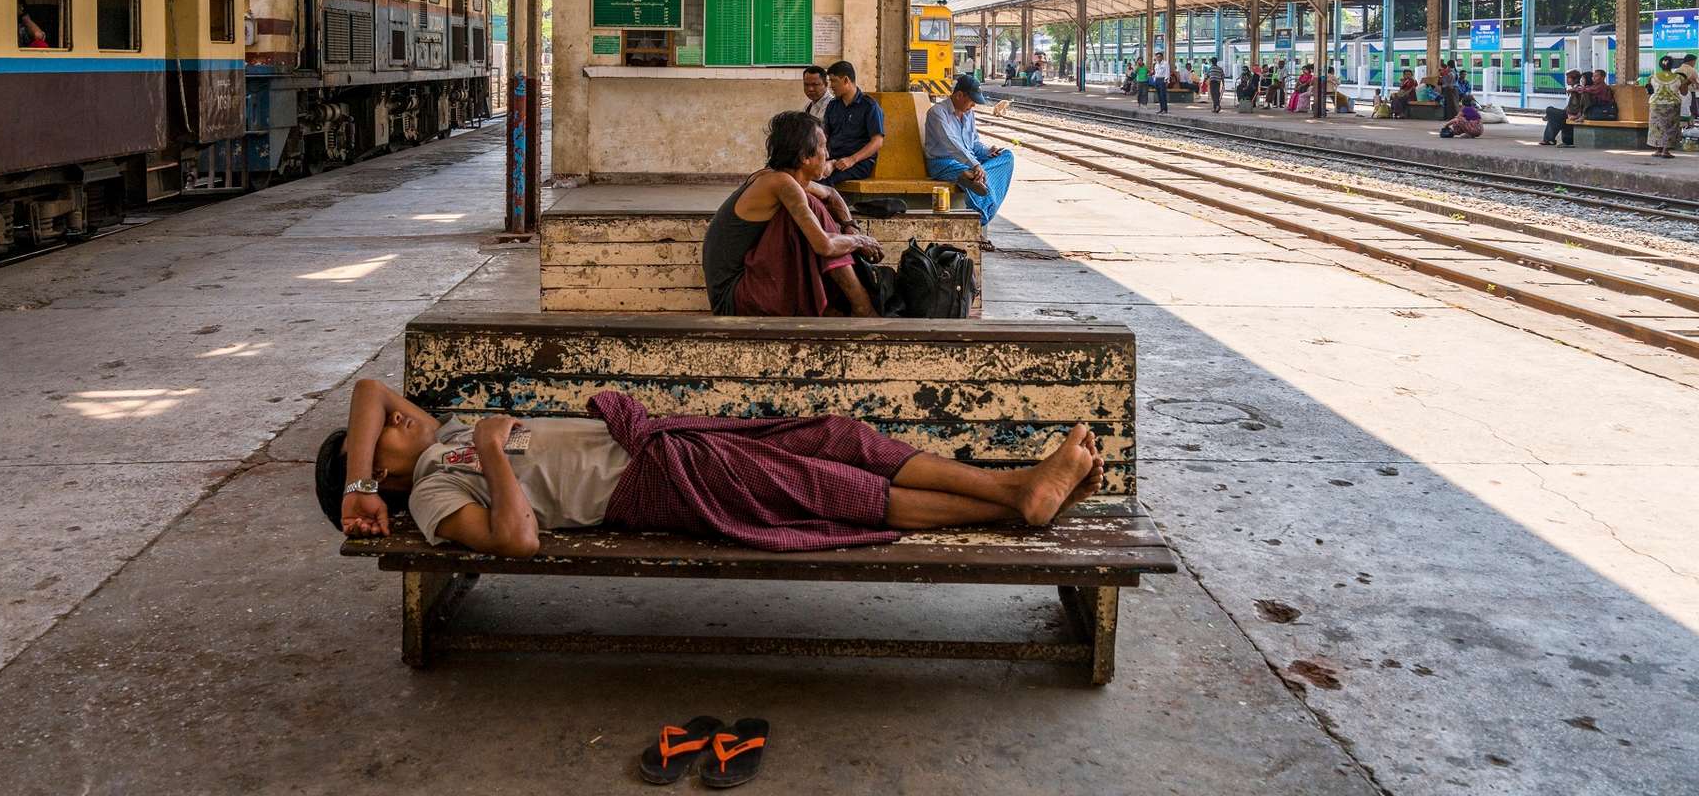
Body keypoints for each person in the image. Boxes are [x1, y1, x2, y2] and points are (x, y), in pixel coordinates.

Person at [320, 379, 1108, 558]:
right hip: (654, 483)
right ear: (396, 480)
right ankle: (1016, 501)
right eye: (388, 437)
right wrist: (490, 454)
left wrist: (361, 480)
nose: (394, 416)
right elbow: (519, 542)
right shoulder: (432, 489)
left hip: (661, 437)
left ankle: (1017, 491)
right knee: (825, 494)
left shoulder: (433, 433)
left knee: (835, 436)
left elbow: (364, 392)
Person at [702, 111, 882, 317]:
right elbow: (824, 245)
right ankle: (863, 307)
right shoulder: (780, 182)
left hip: (752, 286)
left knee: (813, 206)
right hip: (735, 297)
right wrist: (860, 241)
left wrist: (850, 225)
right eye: (823, 146)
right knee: (813, 207)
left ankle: (838, 306)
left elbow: (831, 194)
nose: (828, 154)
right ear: (805, 157)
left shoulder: (789, 180)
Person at [923, 74, 1015, 226]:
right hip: (943, 162)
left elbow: (973, 143)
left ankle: (975, 177)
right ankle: (981, 220)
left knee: (1007, 156)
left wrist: (987, 151)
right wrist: (975, 165)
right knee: (969, 172)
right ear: (959, 95)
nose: (973, 106)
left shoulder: (969, 114)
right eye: (972, 101)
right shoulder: (937, 113)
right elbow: (951, 144)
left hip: (970, 162)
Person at [819, 61, 884, 185]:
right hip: (833, 159)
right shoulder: (832, 105)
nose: (831, 86)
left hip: (858, 162)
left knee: (824, 181)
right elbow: (825, 135)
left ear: (846, 80)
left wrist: (852, 159)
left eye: (834, 81)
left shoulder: (869, 106)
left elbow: (877, 141)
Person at [1647, 55, 1689, 158]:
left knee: (1657, 127)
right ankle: (1666, 151)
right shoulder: (1679, 77)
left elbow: (1649, 92)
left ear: (1660, 65)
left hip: (1656, 104)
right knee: (1670, 127)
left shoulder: (1652, 77)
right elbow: (1684, 93)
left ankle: (1658, 150)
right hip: (1672, 105)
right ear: (1672, 65)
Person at [1540, 70, 1584, 147]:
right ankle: (1549, 139)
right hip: (1569, 113)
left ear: (1576, 79)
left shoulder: (1578, 87)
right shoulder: (1575, 88)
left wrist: (1571, 90)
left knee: (1549, 110)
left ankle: (1549, 139)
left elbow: (1579, 91)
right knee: (1553, 117)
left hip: (1572, 114)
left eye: (1569, 78)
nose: (1567, 80)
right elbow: (1569, 106)